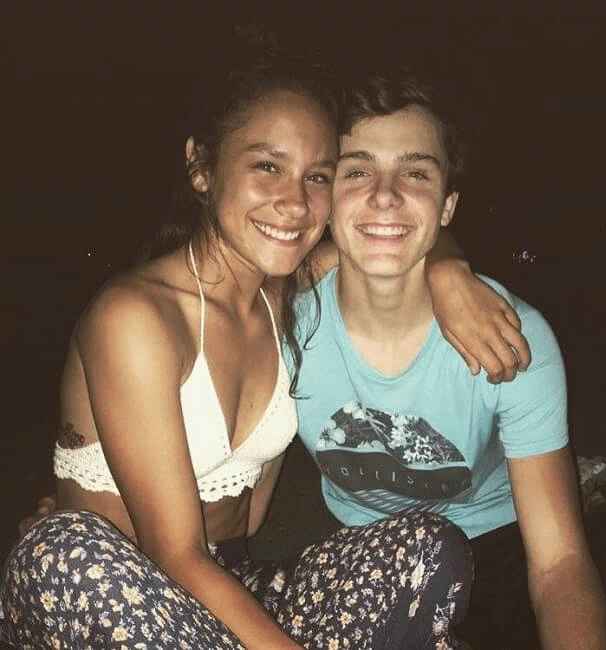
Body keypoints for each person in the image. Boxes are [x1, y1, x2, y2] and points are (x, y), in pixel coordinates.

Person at [0, 57, 533, 649]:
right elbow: (174, 554)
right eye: (267, 166)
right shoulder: (137, 318)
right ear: (202, 168)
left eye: (318, 177)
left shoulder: (290, 291)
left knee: (426, 545)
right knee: (62, 554)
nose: (295, 203)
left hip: (225, 585)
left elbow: (399, 236)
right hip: (120, 591)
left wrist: (450, 272)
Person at [289, 73, 606, 648]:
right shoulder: (284, 324)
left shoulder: (511, 335)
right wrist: (446, 264)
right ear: (326, 199)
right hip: (370, 555)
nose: (385, 195)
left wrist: (447, 266)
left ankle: (592, 485)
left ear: (448, 205)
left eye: (416, 173)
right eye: (357, 171)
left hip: (503, 534)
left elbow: (558, 563)